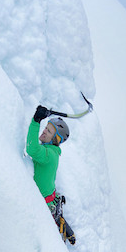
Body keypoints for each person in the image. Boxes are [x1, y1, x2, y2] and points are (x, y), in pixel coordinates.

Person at [26, 105, 75, 244]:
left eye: (49, 131)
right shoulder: (50, 151)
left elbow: (32, 149)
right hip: (51, 199)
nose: (44, 131)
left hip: (46, 205)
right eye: (45, 128)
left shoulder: (50, 155)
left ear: (56, 139)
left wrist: (36, 121)